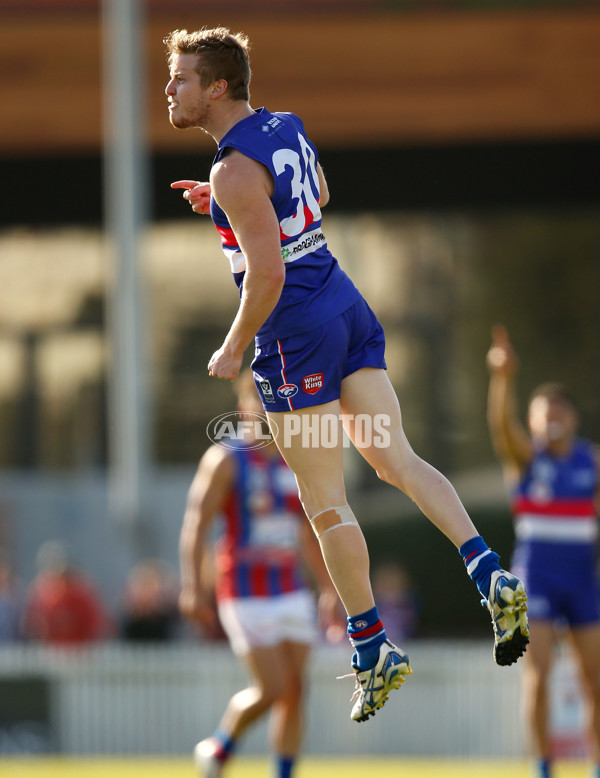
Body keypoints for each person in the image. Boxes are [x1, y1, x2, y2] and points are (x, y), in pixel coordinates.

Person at [165, 26, 529, 724]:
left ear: (216, 86)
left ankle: (371, 648)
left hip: (294, 330)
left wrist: (232, 344)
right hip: (343, 300)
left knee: (325, 500)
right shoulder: (283, 127)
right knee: (397, 458)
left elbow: (266, 274)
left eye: (180, 79)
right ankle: (485, 566)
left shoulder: (232, 168)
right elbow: (317, 196)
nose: (169, 91)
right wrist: (232, 208)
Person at [179, 370, 342, 778]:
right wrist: (193, 586)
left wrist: (330, 587)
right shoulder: (227, 459)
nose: (267, 407)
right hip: (244, 590)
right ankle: (218, 749)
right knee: (270, 687)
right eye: (257, 397)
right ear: (245, 403)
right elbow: (197, 523)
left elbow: (310, 532)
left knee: (295, 690)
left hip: (289, 588)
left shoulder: (296, 461)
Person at [486, 324, 600, 778]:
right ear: (532, 422)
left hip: (582, 581)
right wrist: (502, 379)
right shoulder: (525, 460)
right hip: (535, 580)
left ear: (572, 418)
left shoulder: (591, 463)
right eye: (541, 413)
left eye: (557, 411)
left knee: (595, 681)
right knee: (539, 678)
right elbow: (499, 427)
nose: (550, 419)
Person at [22, 540, 109, 645]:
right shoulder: (40, 595)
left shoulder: (81, 593)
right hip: (49, 653)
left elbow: (94, 625)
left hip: (78, 653)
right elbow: (32, 626)